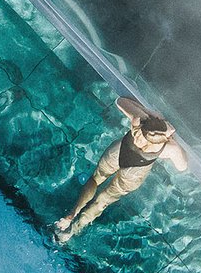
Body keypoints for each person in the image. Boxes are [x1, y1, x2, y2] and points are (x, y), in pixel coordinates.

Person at [53, 96, 190, 243]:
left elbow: (120, 101)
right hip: (135, 170)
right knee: (103, 200)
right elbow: (182, 167)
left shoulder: (139, 119)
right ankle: (71, 232)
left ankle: (72, 214)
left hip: (119, 151)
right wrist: (171, 140)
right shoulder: (168, 148)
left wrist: (148, 112)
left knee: (95, 179)